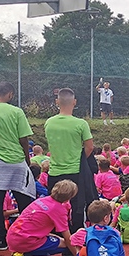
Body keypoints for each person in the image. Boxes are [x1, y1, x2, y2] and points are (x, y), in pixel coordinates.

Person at [0, 82, 36, 251]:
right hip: (15, 161)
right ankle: (24, 236)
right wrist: (27, 160)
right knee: (24, 198)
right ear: (10, 94)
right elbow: (23, 139)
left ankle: (1, 240)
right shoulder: (16, 112)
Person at [43, 87, 94, 234]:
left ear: (57, 101)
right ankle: (75, 237)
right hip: (75, 171)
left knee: (54, 204)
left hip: (55, 171)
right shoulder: (80, 124)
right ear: (74, 102)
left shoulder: (49, 123)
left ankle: (58, 236)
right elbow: (89, 147)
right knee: (77, 205)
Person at [6, 180, 79, 256]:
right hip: (24, 240)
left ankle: (24, 250)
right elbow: (68, 238)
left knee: (56, 238)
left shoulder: (42, 200)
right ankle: (25, 253)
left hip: (13, 235)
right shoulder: (58, 210)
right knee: (65, 244)